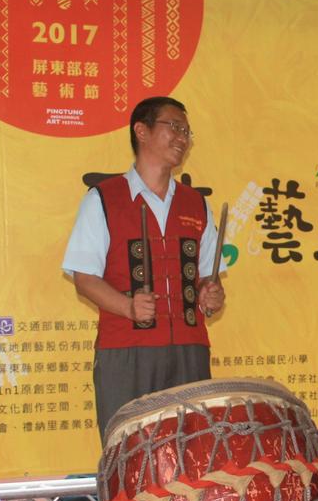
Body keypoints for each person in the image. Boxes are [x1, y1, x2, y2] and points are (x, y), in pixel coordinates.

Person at [62, 96, 225, 438]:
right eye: (174, 127)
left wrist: (213, 294)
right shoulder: (103, 199)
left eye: (187, 132)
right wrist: (127, 307)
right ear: (142, 131)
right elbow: (83, 277)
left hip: (190, 349)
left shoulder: (196, 204)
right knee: (129, 448)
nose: (182, 138)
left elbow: (209, 276)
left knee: (191, 449)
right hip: (126, 352)